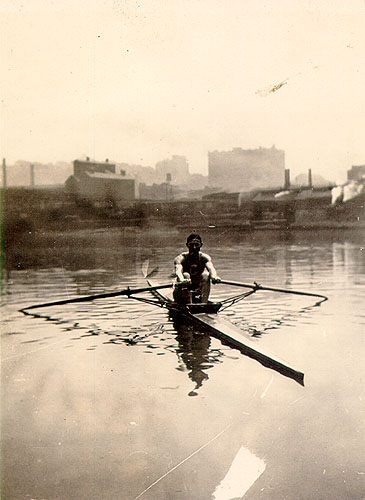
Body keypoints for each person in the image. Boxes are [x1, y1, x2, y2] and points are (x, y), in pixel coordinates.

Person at [173, 233, 221, 304]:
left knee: (206, 275)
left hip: (197, 291)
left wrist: (214, 277)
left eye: (197, 244)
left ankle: (203, 304)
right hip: (181, 292)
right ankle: (189, 304)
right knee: (186, 275)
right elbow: (178, 271)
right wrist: (182, 279)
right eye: (191, 245)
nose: (194, 247)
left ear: (201, 245)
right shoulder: (181, 258)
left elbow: (211, 269)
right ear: (187, 245)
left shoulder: (205, 258)